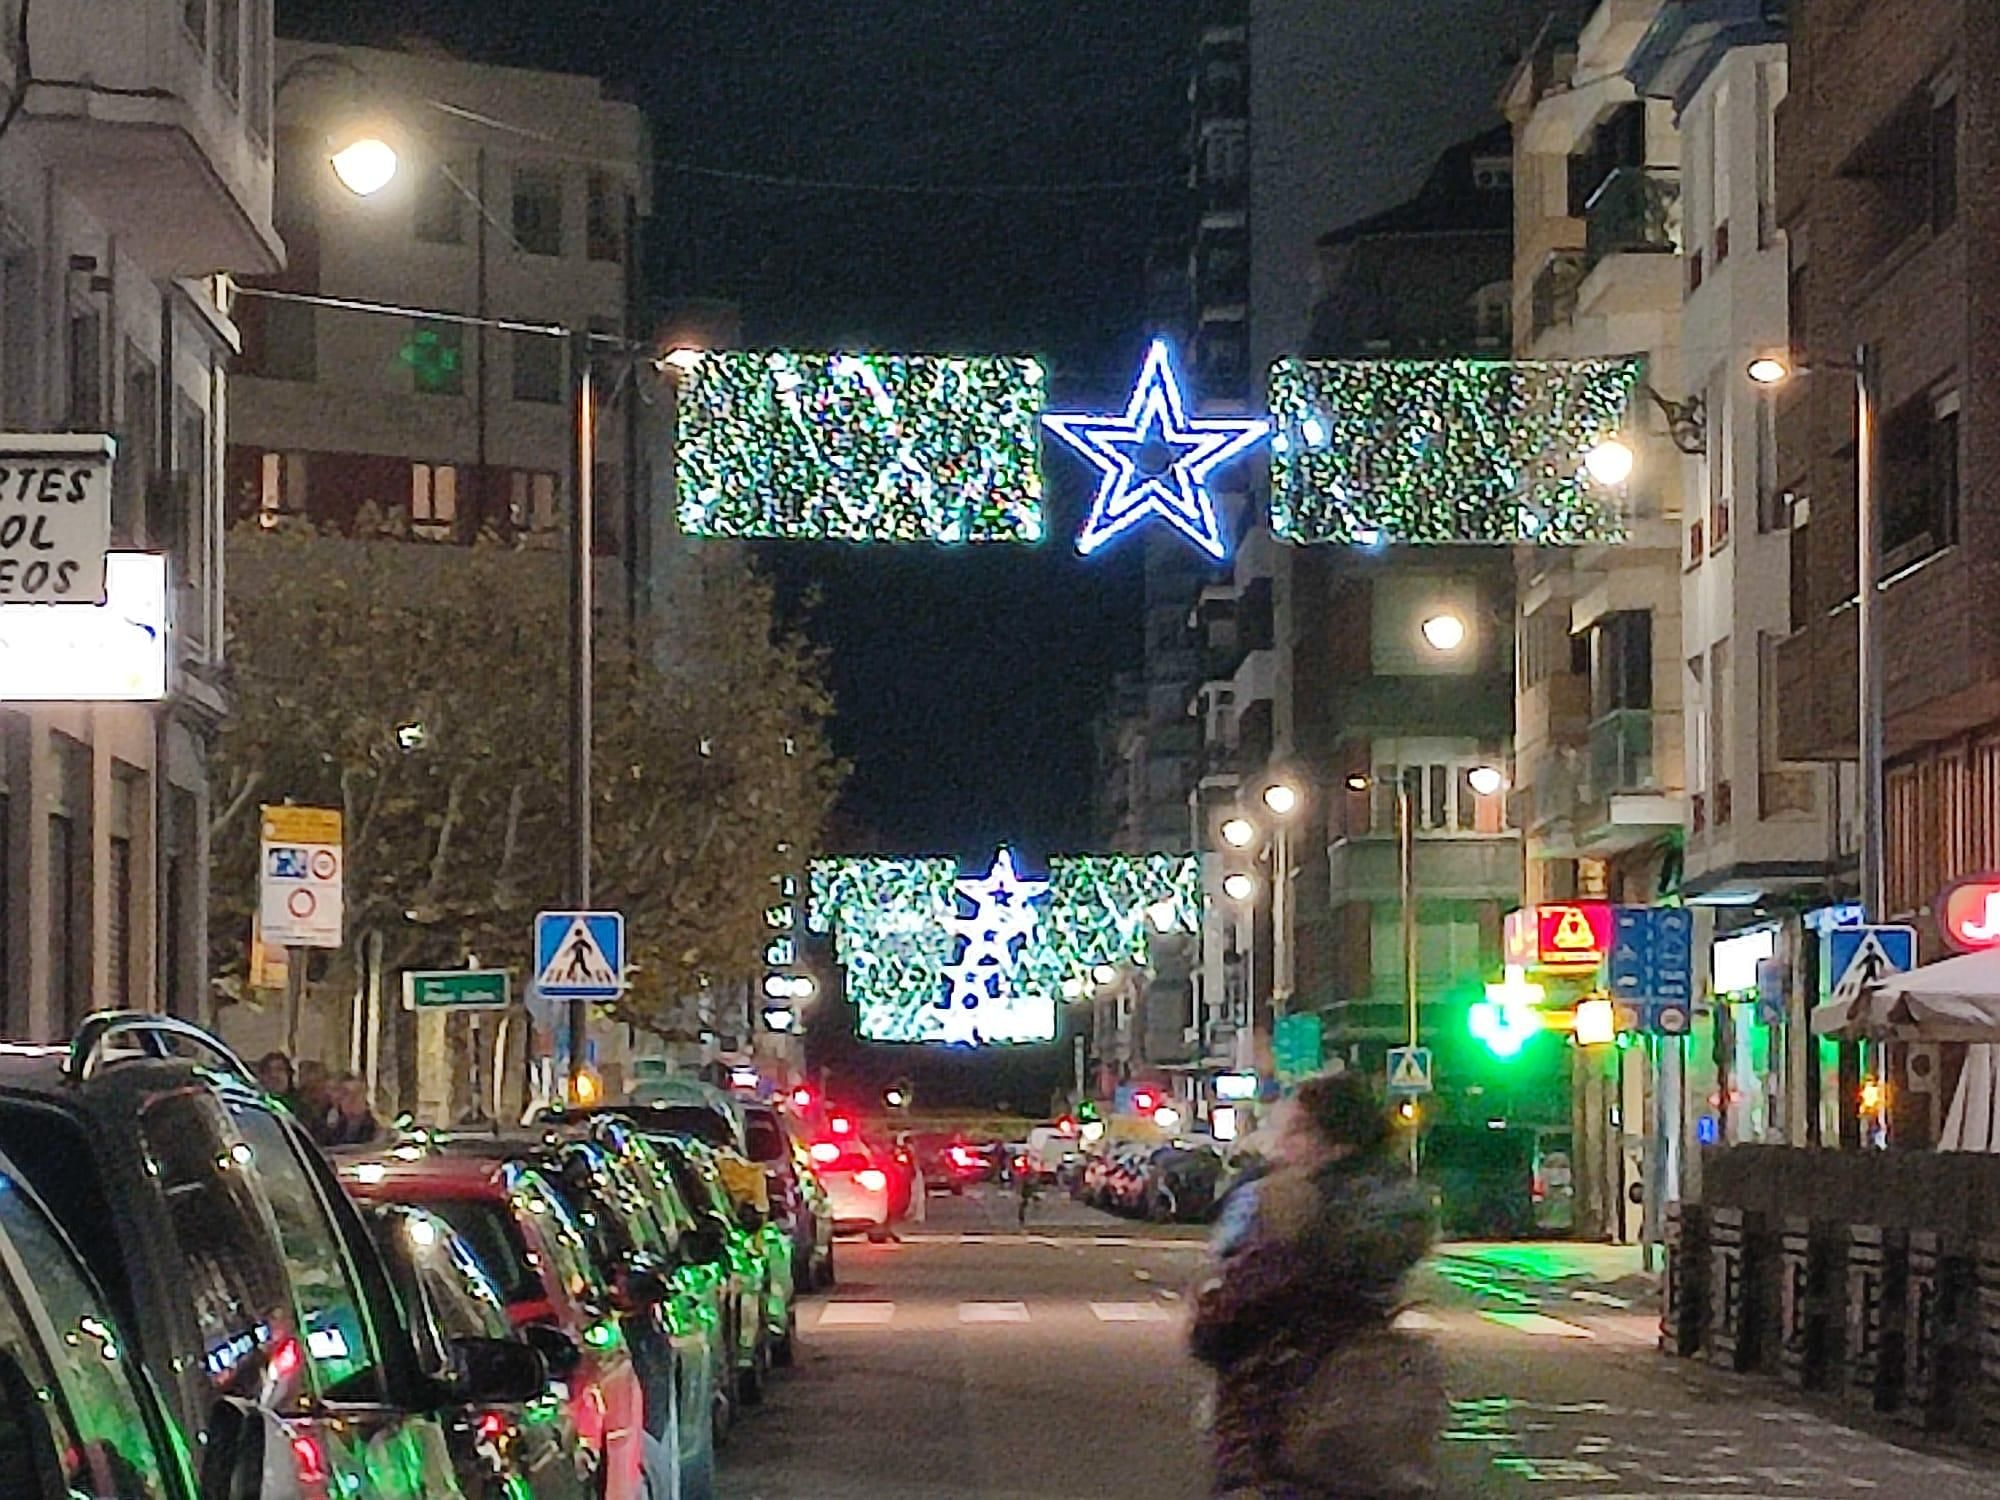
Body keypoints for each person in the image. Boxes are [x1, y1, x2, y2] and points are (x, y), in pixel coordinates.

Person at [1189, 1073, 1441, 1499]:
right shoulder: (1398, 1202)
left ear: (1331, 1137)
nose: (1283, 1144)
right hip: (1367, 1411)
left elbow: (1230, 1317)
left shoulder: (1291, 1202)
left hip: (1279, 1417)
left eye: (1295, 1129)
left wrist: (1214, 1306)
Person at [320, 1073, 381, 1148]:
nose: (352, 1100)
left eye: (357, 1094)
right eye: (346, 1094)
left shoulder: (375, 1127)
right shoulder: (328, 1122)